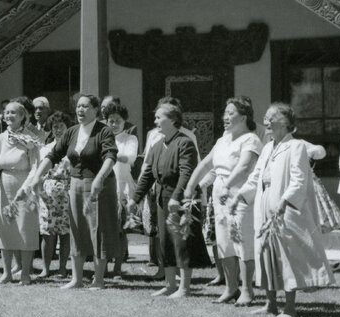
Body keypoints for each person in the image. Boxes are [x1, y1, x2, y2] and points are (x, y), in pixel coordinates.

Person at [230, 103, 335, 317]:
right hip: (264, 203)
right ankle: (270, 304)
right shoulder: (268, 147)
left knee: (287, 255)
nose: (266, 121)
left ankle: (289, 307)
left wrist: (285, 202)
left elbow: (298, 180)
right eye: (265, 117)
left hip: (284, 208)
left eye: (271, 117)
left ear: (286, 123)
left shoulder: (296, 147)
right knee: (265, 253)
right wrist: (240, 195)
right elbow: (256, 177)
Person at [30, 93, 118, 290]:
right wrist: (37, 176)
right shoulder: (71, 132)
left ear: (96, 110)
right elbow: (53, 155)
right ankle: (76, 279)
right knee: (76, 229)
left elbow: (111, 156)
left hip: (98, 185)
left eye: (85, 106)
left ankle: (99, 279)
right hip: (76, 185)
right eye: (78, 106)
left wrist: (99, 178)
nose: (80, 110)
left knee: (98, 231)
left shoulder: (104, 131)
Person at [184, 96, 262, 305]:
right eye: (225, 113)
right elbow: (206, 165)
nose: (225, 117)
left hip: (240, 196)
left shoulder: (251, 140)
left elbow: (244, 167)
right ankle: (231, 288)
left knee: (241, 242)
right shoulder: (222, 140)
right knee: (223, 243)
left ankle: (247, 290)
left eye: (231, 113)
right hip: (220, 196)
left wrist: (227, 186)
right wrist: (191, 186)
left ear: (244, 117)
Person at [131, 103, 199, 297]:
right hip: (162, 199)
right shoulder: (157, 145)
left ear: (173, 120)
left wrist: (177, 197)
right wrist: (135, 198)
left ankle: (184, 287)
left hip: (178, 200)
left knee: (181, 242)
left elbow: (187, 173)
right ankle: (170, 285)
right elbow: (147, 175)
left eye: (159, 117)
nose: (155, 121)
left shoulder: (184, 143)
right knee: (165, 243)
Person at [0, 101, 41, 285]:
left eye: (14, 113)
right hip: (5, 186)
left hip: (25, 187)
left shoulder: (31, 139)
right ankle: (7, 273)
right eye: (7, 113)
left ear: (22, 116)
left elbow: (36, 167)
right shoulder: (0, 138)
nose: (9, 116)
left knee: (25, 228)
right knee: (6, 228)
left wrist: (26, 189)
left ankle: (25, 274)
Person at [102, 101, 137, 277]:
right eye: (110, 120)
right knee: (104, 228)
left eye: (117, 120)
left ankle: (117, 266)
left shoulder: (130, 139)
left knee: (120, 230)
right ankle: (103, 266)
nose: (114, 124)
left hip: (122, 186)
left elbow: (129, 157)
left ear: (124, 122)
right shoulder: (102, 137)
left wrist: (109, 154)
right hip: (104, 186)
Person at [38, 111, 71, 278]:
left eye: (61, 126)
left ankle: (62, 268)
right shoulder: (45, 149)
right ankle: (45, 268)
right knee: (47, 233)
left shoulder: (73, 149)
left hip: (67, 194)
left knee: (64, 233)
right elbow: (39, 171)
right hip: (47, 195)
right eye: (55, 127)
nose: (58, 130)